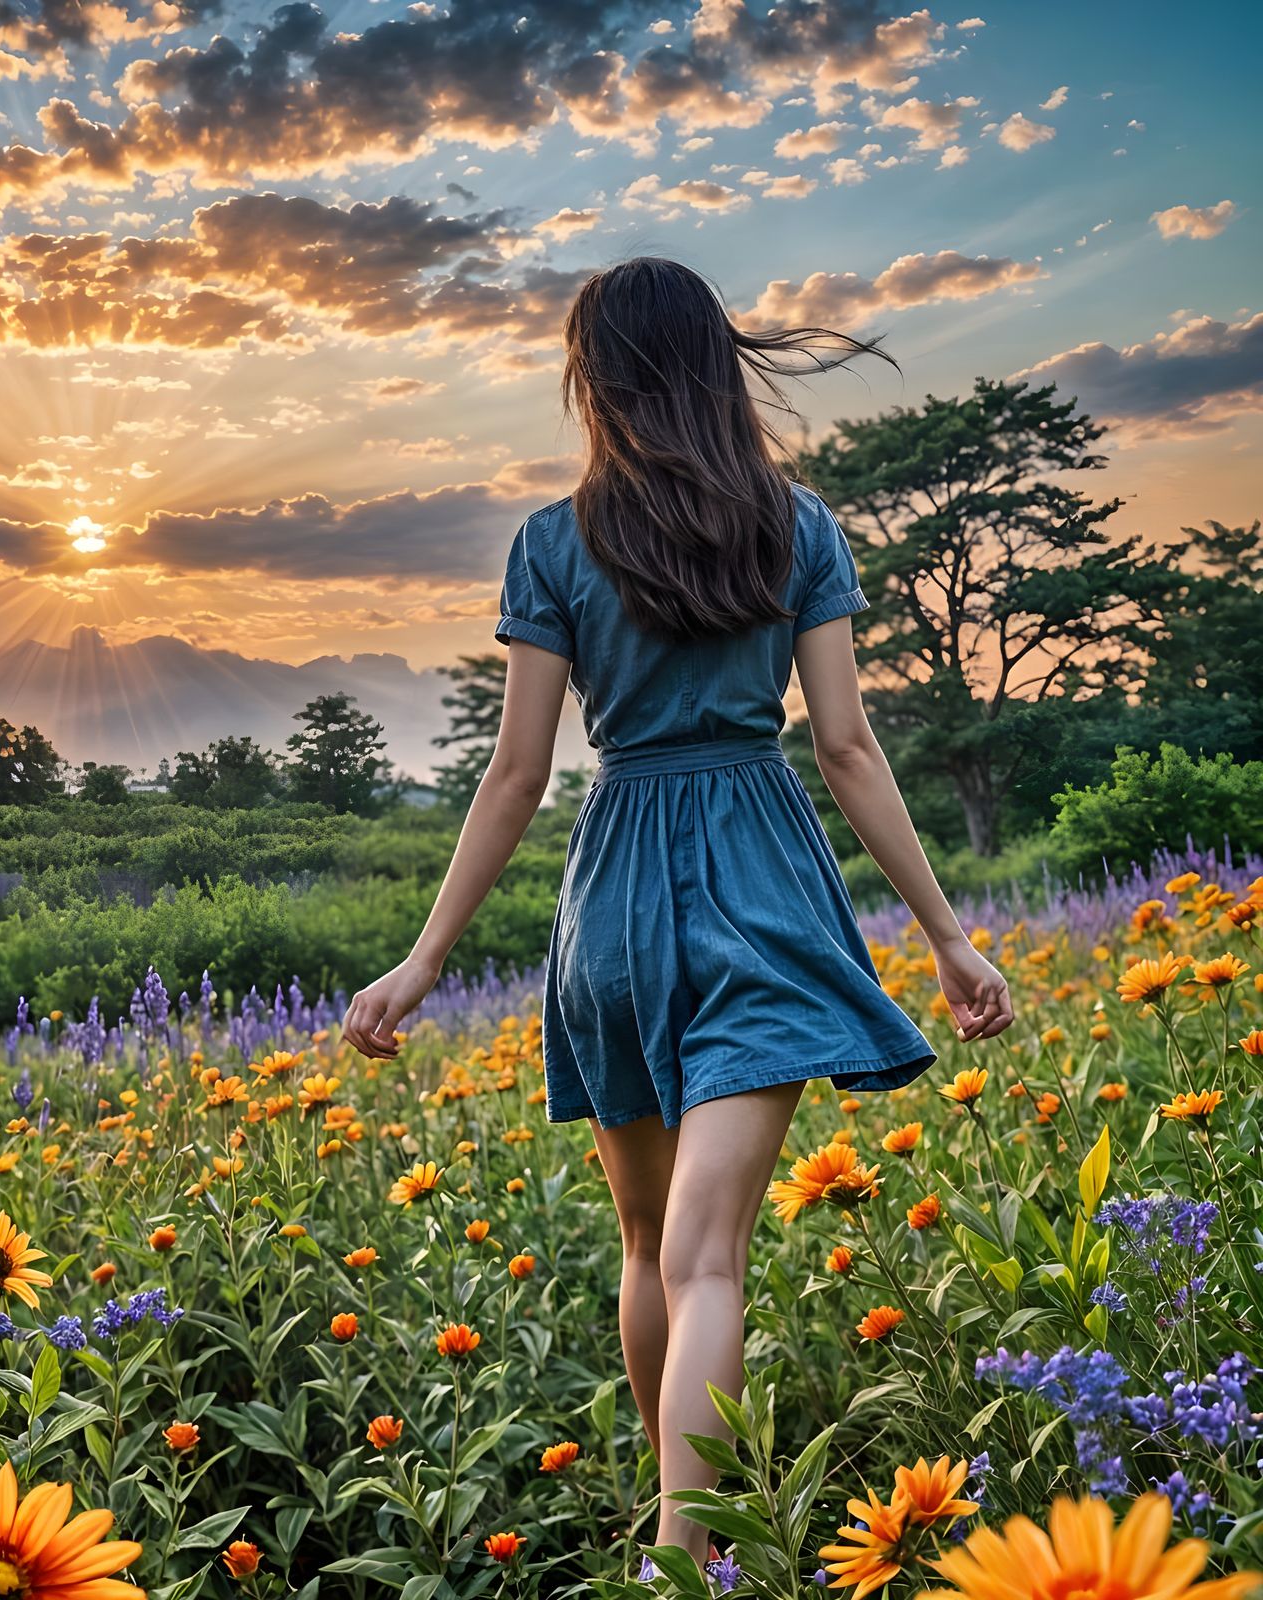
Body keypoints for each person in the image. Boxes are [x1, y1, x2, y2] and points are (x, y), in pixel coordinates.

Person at [341, 255, 1014, 1585]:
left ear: (593, 379)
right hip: (759, 885)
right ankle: (679, 1552)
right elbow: (846, 746)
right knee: (712, 1259)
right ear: (716, 362)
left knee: (652, 1247)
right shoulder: (798, 526)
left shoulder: (552, 541)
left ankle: (673, 1534)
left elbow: (519, 774)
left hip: (617, 907)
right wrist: (944, 932)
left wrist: (425, 961)